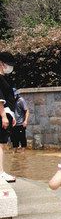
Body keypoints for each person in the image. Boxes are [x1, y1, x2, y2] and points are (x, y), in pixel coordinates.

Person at [0, 52, 16, 182]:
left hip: (6, 113)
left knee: (3, 144)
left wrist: (11, 114)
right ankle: (0, 172)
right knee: (0, 144)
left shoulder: (3, 78)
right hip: (2, 115)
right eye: (8, 65)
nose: (10, 67)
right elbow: (0, 99)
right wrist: (3, 116)